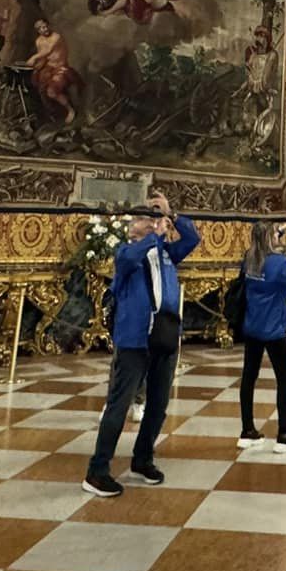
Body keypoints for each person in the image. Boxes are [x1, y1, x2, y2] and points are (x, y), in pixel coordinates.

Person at [83, 189, 199, 498]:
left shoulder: (165, 254)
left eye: (152, 217)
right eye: (143, 218)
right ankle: (97, 471)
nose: (150, 221)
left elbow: (192, 238)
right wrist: (154, 234)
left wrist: (170, 213)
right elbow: (132, 257)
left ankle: (143, 458)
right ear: (131, 226)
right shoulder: (126, 253)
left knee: (158, 405)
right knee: (119, 405)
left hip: (164, 337)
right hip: (134, 341)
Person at [237, 218, 286, 452]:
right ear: (270, 239)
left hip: (252, 327)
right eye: (276, 234)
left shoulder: (249, 258)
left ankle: (247, 430)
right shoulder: (278, 263)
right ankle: (284, 434)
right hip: (274, 329)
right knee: (284, 378)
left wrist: (283, 228)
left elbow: (264, 239)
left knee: (249, 377)